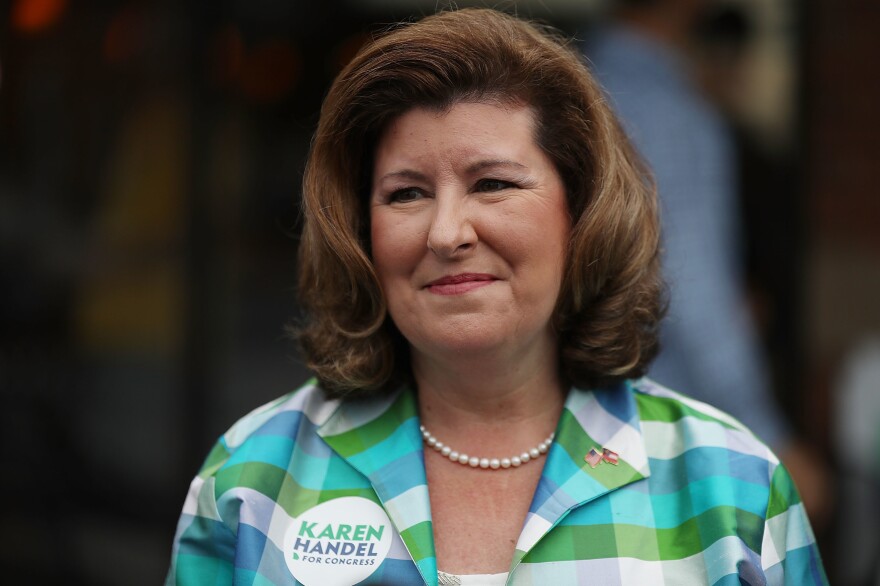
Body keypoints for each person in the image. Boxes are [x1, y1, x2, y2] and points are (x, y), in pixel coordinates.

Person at [166, 8, 826, 585]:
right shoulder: (252, 479)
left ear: (582, 212)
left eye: (493, 185)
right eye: (406, 193)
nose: (447, 233)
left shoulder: (730, 485)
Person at [583, 0, 831, 527]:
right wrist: (769, 433)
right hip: (665, 421)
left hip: (574, 414)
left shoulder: (574, 84)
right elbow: (692, 287)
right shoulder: (670, 111)